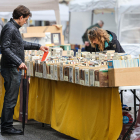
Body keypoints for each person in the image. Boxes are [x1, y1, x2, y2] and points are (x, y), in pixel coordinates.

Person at [0, 5, 48, 135]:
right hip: (11, 68)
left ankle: (6, 126)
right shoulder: (10, 28)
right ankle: (6, 127)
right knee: (11, 99)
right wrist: (19, 62)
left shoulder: (12, 28)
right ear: (20, 17)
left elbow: (20, 44)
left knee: (10, 98)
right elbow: (4, 48)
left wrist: (38, 46)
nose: (26, 22)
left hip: (11, 67)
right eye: (26, 19)